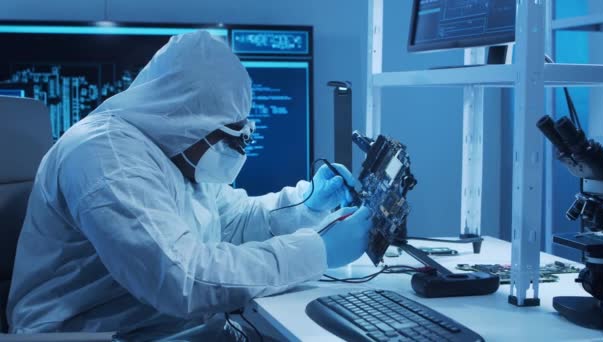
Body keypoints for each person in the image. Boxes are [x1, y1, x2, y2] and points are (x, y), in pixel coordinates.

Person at [7, 30, 373, 340]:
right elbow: (182, 279)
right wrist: (318, 251)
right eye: (228, 137)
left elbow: (233, 222)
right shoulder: (105, 157)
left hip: (152, 324)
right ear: (184, 119)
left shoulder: (174, 150)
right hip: (87, 334)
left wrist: (309, 204)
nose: (235, 150)